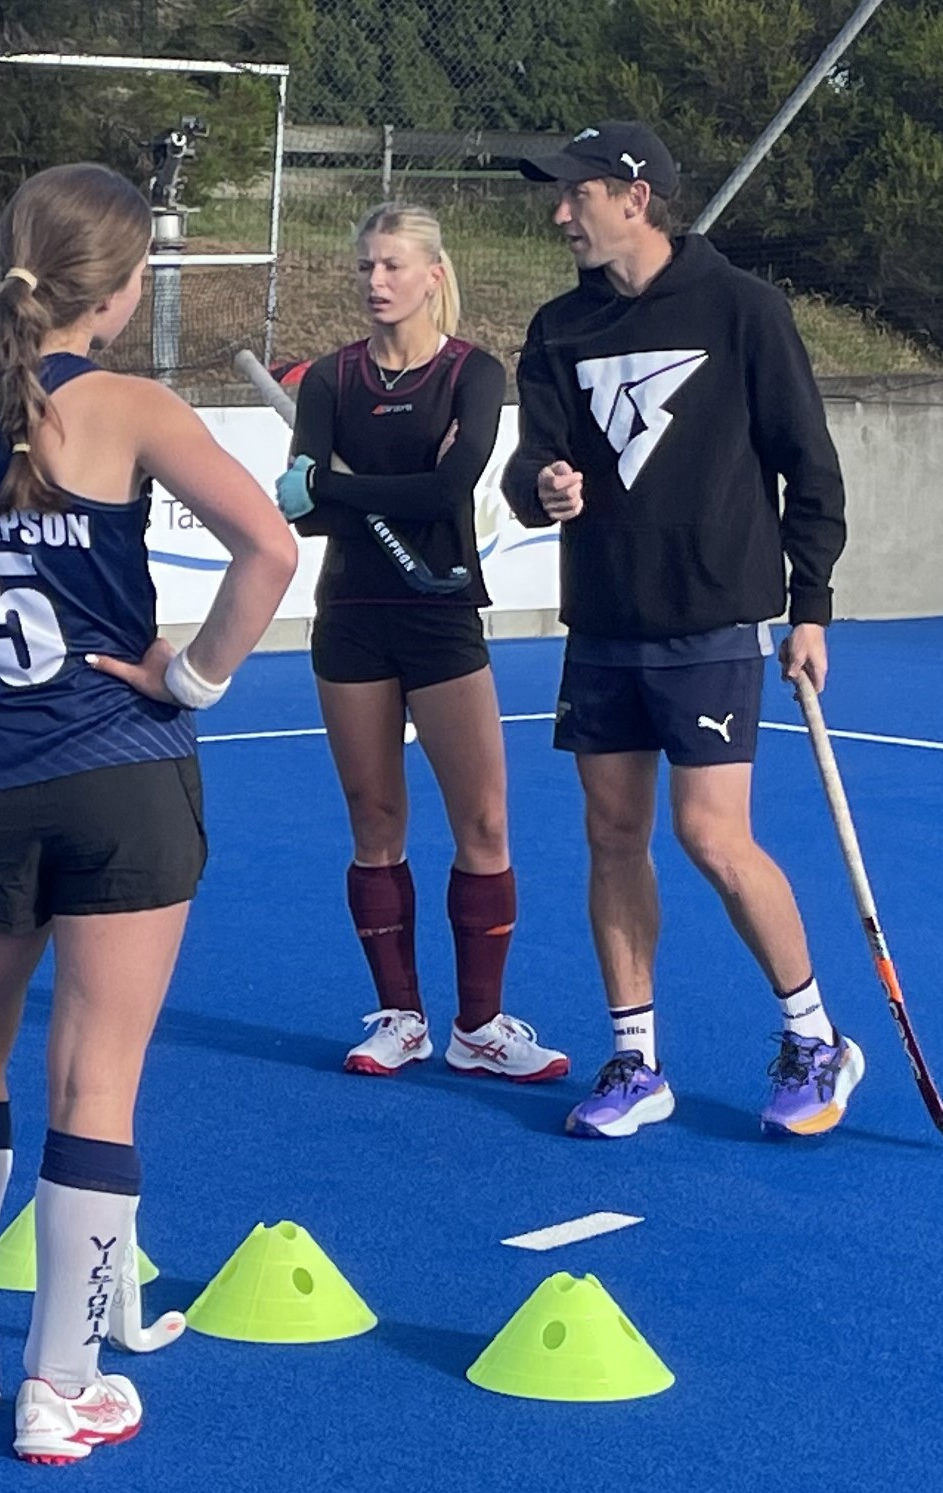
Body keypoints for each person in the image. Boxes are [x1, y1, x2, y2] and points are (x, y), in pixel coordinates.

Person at [0, 163, 296, 1462]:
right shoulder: (135, 405)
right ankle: (63, 1377)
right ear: (126, 281)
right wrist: (186, 675)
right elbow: (269, 547)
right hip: (124, 779)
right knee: (98, 1080)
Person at [499, 121, 858, 1140]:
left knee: (709, 835)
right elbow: (526, 463)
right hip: (602, 622)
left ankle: (812, 1037)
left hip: (708, 621)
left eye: (574, 195)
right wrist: (545, 484)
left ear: (634, 195)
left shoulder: (742, 308)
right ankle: (633, 1062)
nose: (558, 213)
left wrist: (811, 607)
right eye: (555, 196)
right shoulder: (557, 327)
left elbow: (808, 465)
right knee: (611, 835)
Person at [277, 203, 562, 1085]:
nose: (375, 282)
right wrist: (339, 487)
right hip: (352, 614)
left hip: (441, 614)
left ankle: (481, 1025)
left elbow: (449, 489)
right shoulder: (330, 379)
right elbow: (302, 505)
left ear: (434, 274)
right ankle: (402, 1015)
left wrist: (339, 484)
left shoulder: (474, 373)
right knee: (376, 825)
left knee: (482, 821)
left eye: (393, 266)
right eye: (366, 267)